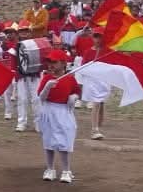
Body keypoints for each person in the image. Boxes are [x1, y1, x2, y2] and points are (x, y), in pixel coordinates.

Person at [37, 49, 80, 183]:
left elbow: (77, 92)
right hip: (48, 110)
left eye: (54, 62)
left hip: (63, 111)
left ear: (63, 63)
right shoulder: (47, 78)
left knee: (64, 142)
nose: (51, 65)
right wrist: (47, 87)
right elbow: (41, 97)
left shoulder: (70, 79)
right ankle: (50, 169)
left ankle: (66, 170)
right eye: (49, 62)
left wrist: (74, 97)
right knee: (48, 141)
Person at [78, 29, 111, 139]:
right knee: (96, 103)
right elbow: (83, 67)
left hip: (104, 80)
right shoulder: (88, 52)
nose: (98, 39)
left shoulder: (107, 51)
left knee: (101, 103)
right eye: (96, 37)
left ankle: (98, 124)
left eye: (100, 37)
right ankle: (94, 129)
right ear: (92, 38)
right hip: (92, 81)